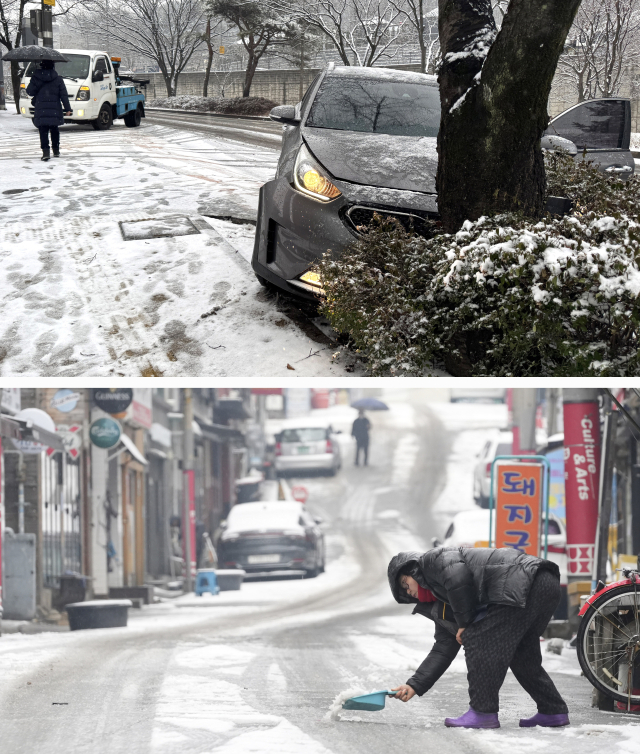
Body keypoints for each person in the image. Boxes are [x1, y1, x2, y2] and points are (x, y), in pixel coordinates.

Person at [387, 546, 570, 729]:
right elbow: (443, 649)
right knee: (521, 653)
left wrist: (464, 623)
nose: (408, 591)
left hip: (524, 580)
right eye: (404, 592)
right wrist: (414, 685)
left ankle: (483, 712)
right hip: (543, 583)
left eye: (405, 583)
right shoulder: (444, 603)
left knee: (476, 638)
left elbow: (457, 577)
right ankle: (552, 710)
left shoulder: (431, 561)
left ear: (413, 570)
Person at [26, 60, 72, 161]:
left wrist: (34, 81)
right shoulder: (58, 79)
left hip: (41, 108)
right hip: (54, 108)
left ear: (41, 66)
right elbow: (63, 95)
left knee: (43, 130)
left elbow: (30, 92)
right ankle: (56, 150)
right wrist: (67, 109)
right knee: (54, 129)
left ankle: (45, 152)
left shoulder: (36, 78)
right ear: (53, 67)